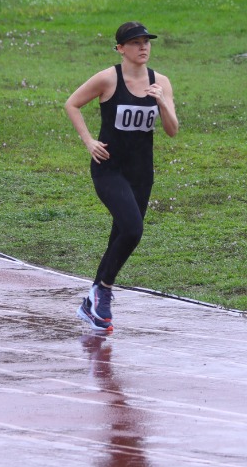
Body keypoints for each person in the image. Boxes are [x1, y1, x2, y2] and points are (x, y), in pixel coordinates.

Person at [64, 22, 179, 332]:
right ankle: (103, 290)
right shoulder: (107, 79)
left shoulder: (161, 82)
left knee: (122, 235)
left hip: (141, 172)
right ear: (120, 48)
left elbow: (172, 130)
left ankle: (94, 300)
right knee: (132, 228)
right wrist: (89, 141)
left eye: (146, 42)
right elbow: (72, 104)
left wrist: (162, 103)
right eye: (135, 42)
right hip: (109, 168)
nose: (143, 47)